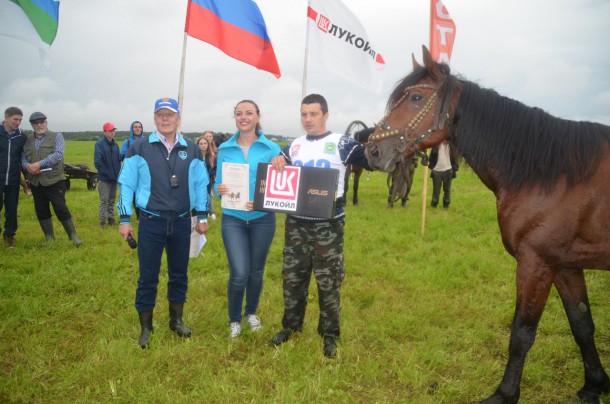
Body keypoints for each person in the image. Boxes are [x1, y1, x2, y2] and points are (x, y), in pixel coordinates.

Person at [269, 94, 371, 358]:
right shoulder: (294, 146)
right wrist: (277, 161)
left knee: (328, 282)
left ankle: (329, 334)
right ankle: (291, 326)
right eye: (304, 114)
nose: (308, 119)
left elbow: (371, 161)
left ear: (325, 115)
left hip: (329, 226)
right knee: (293, 279)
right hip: (296, 225)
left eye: (313, 114)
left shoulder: (342, 143)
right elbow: (279, 166)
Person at [117, 97, 209, 349]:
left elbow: (201, 184)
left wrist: (201, 215)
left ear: (179, 118)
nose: (165, 119)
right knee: (148, 277)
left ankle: (176, 320)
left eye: (170, 114)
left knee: (179, 274)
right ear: (155, 118)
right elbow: (126, 184)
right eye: (160, 115)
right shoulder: (139, 147)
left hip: (181, 223)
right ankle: (146, 327)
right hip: (151, 222)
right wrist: (125, 218)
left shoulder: (192, 149)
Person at [214, 100, 281, 339]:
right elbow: (216, 184)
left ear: (257, 116)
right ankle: (234, 319)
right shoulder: (224, 149)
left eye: (249, 113)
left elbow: (279, 183)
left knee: (256, 271)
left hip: (262, 218)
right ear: (235, 118)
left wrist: (282, 163)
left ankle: (250, 312)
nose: (244, 117)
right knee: (240, 272)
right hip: (233, 218)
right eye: (239, 113)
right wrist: (219, 189)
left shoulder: (271, 148)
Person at [21, 112, 82, 247]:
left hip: (55, 181)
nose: (39, 125)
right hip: (36, 182)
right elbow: (23, 158)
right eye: (36, 123)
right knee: (41, 210)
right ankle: (49, 237)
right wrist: (28, 167)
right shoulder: (28, 140)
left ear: (46, 123)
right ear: (32, 125)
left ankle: (73, 236)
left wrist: (38, 164)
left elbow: (58, 155)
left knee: (61, 208)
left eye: (42, 122)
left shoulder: (57, 136)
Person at [0, 107, 27, 248]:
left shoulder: (21, 137)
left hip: (13, 179)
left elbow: (23, 158)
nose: (18, 122)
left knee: (12, 208)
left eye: (20, 120)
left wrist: (26, 180)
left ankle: (9, 235)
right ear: (6, 117)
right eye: (15, 119)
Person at [94, 122, 121, 228]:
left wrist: (117, 174)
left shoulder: (116, 145)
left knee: (112, 199)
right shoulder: (99, 144)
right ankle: (102, 221)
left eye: (113, 130)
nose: (112, 132)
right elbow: (98, 162)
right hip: (105, 178)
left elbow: (118, 161)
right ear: (104, 132)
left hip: (114, 178)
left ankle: (111, 219)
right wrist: (106, 173)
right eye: (110, 131)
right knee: (104, 200)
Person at [119, 121, 144, 220]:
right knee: (133, 195)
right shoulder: (127, 142)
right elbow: (121, 155)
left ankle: (143, 215)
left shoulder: (146, 140)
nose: (137, 129)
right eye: (135, 127)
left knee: (143, 193)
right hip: (132, 172)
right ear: (132, 129)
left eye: (139, 127)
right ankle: (138, 216)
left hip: (143, 172)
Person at [429, 140, 459, 209]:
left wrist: (454, 168)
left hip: (448, 170)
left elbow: (456, 158)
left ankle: (446, 204)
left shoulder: (451, 147)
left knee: (447, 189)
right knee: (436, 190)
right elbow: (431, 158)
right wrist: (432, 168)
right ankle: (434, 204)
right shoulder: (435, 146)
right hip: (437, 171)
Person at [196, 134, 217, 220]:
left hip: (209, 181)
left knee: (208, 196)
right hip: (198, 181)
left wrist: (208, 173)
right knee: (199, 196)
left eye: (205, 143)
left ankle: (210, 212)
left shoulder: (212, 156)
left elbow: (215, 169)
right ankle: (199, 212)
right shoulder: (195, 156)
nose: (203, 145)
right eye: (201, 144)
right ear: (198, 145)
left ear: (208, 145)